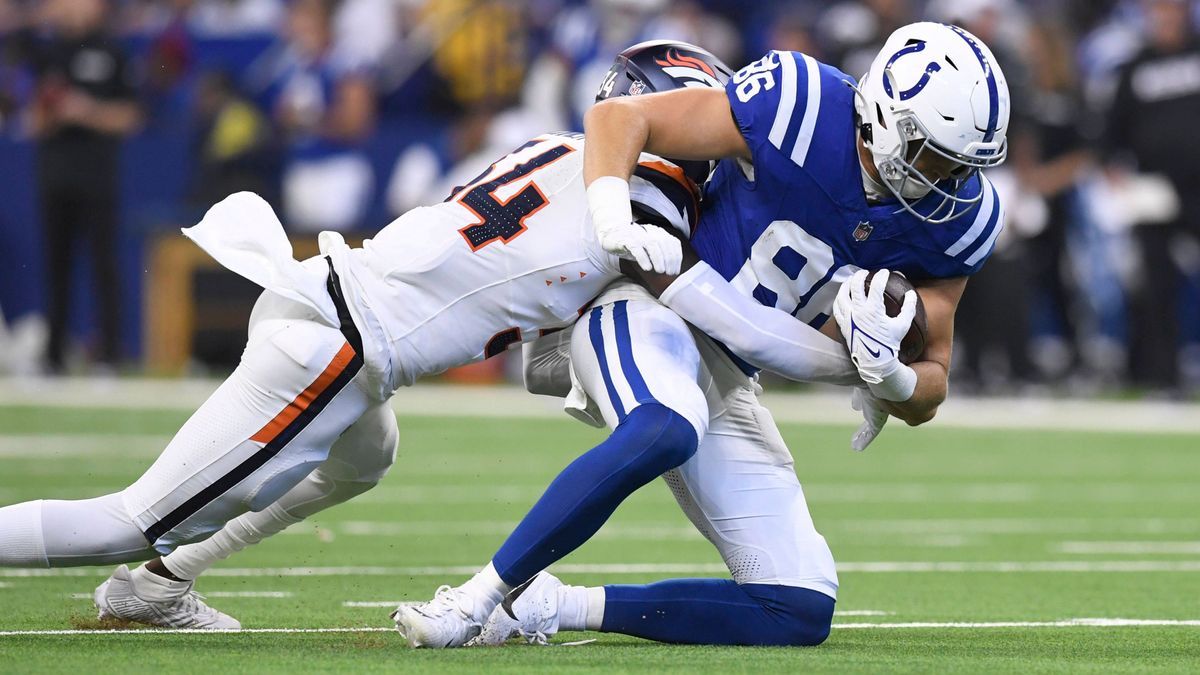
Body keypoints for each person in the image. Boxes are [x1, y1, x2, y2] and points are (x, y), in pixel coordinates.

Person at [0, 41, 871, 631]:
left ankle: (159, 587)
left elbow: (531, 332)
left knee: (365, 460)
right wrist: (853, 364)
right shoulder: (641, 207)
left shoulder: (551, 147)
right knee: (128, 518)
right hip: (341, 348)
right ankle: (148, 564)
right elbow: (677, 328)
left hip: (335, 312)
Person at [396, 22, 1009, 648]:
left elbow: (932, 383)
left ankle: (549, 607)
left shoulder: (960, 218)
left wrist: (891, 375)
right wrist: (613, 219)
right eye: (936, 156)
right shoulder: (800, 104)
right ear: (885, 116)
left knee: (799, 605)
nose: (949, 180)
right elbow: (618, 118)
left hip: (731, 367)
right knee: (666, 424)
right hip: (652, 300)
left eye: (964, 166)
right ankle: (472, 602)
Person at [29, 0, 140, 372]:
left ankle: (109, 353)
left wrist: (87, 111)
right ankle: (53, 356)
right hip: (55, 172)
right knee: (55, 266)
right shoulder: (47, 51)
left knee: (103, 265)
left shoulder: (112, 51)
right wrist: (51, 111)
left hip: (96, 175)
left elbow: (131, 116)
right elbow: (31, 121)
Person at [1103, 0, 1200, 392]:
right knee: (1156, 283)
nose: (1164, 18)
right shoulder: (1135, 66)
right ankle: (1162, 375)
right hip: (1154, 190)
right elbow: (1112, 129)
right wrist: (1115, 173)